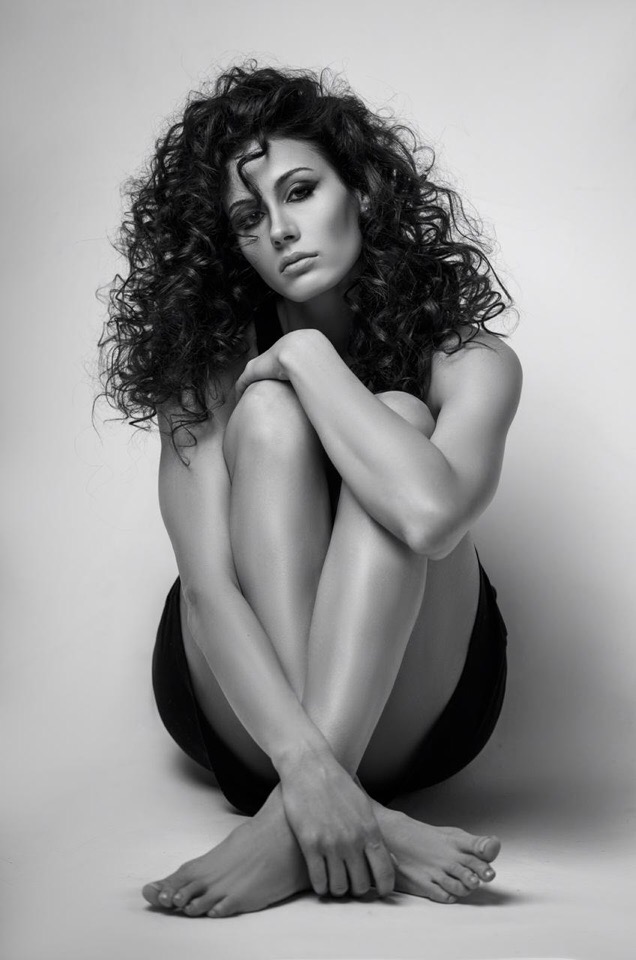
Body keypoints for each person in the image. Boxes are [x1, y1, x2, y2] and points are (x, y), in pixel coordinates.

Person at [96, 61, 522, 919]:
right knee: (267, 417)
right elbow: (210, 590)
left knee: (397, 416)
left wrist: (304, 354)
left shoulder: (470, 359)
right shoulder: (209, 369)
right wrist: (305, 767)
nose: (282, 230)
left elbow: (432, 518)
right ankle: (338, 805)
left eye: (300, 191)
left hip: (423, 710)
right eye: (249, 218)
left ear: (360, 190)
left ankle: (286, 829)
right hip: (245, 717)